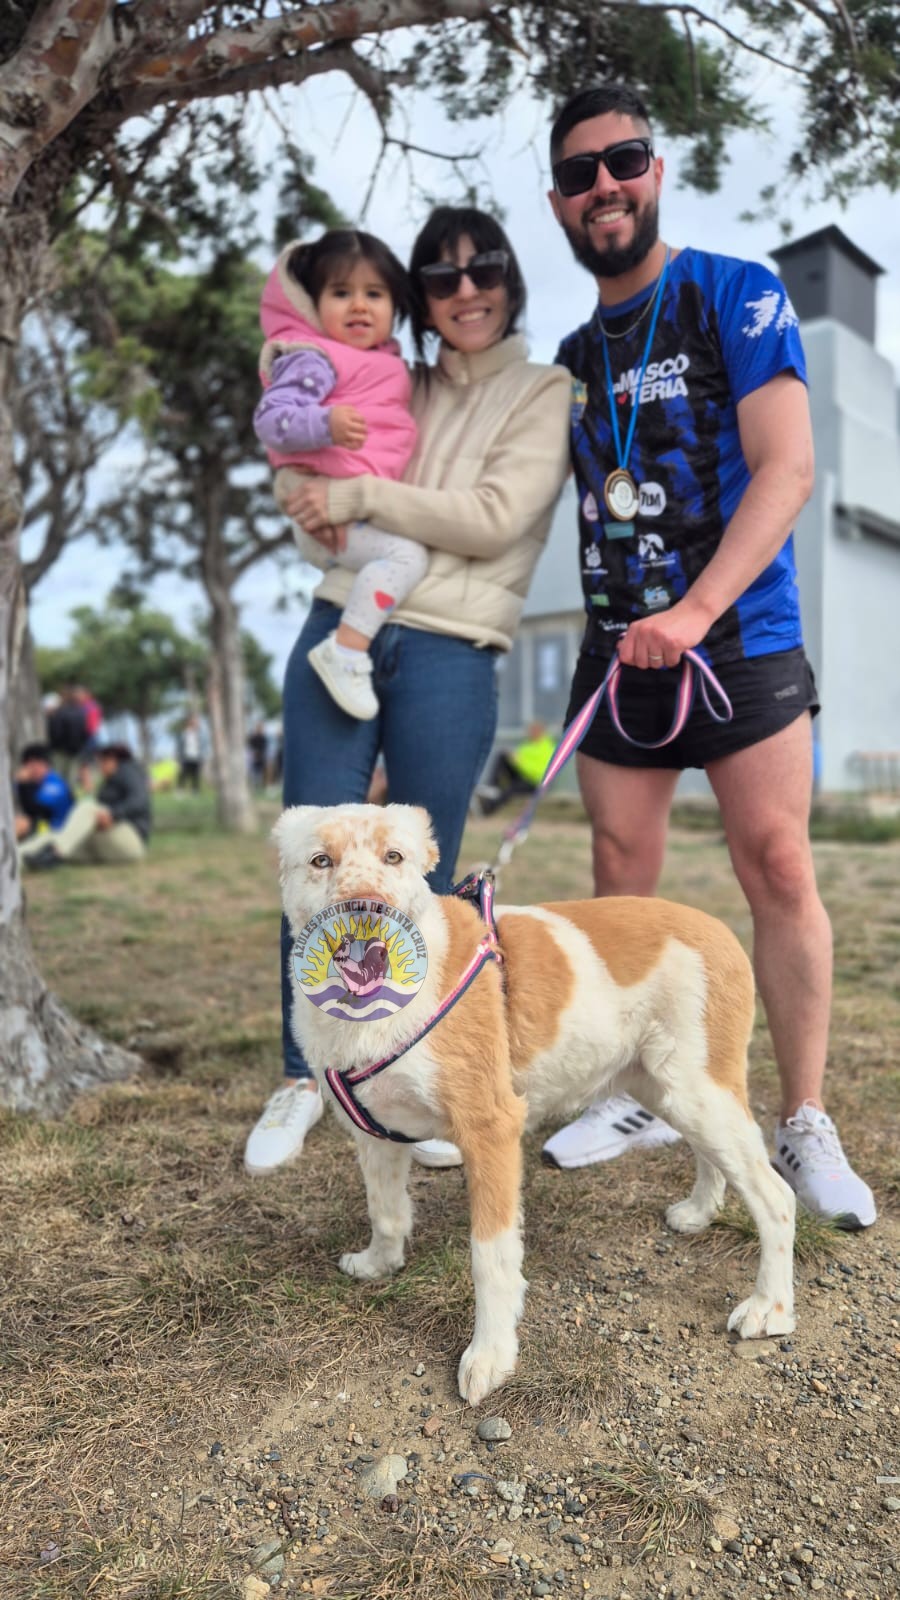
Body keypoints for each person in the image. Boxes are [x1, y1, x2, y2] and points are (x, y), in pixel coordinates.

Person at [537, 83, 875, 1230]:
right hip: (616, 652)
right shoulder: (573, 357)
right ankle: (632, 1092)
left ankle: (805, 1120)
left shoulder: (738, 291)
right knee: (617, 876)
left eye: (621, 160)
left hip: (739, 638)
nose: (604, 188)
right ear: (558, 202)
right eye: (580, 174)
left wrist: (696, 609)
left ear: (656, 168)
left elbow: (787, 468)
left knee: (777, 867)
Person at [242, 205, 571, 1177]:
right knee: (313, 858)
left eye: (485, 270)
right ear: (418, 296)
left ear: (511, 280)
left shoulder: (545, 389)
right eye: (441, 274)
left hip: (451, 647)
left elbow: (494, 516)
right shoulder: (389, 373)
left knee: (420, 879)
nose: (465, 289)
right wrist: (309, 481)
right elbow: (301, 439)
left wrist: (355, 498)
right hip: (340, 618)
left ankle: (410, 1067)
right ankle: (306, 1073)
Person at [253, 229, 423, 721]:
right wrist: (323, 423)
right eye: (341, 293)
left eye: (375, 294)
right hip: (326, 511)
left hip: (350, 509)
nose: (359, 306)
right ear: (313, 302)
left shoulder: (380, 361)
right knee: (407, 557)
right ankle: (346, 651)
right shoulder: (314, 357)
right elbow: (271, 418)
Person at [20, 743, 152, 870]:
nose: (100, 766)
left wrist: (113, 814)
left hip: (132, 839)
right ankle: (15, 856)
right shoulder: (109, 783)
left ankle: (55, 852)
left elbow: (139, 800)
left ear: (112, 760)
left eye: (101, 762)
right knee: (53, 837)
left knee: (88, 807)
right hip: (110, 842)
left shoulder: (128, 770)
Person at [476, 721, 557, 815]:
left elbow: (540, 773)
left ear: (541, 731)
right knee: (502, 756)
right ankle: (493, 786)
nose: (529, 733)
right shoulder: (527, 743)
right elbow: (519, 760)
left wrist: (519, 762)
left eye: (533, 731)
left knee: (510, 789)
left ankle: (487, 810)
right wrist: (513, 759)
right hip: (522, 775)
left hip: (533, 782)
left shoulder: (548, 747)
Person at [14, 744, 74, 843]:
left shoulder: (55, 784)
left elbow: (38, 810)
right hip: (42, 831)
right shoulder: (32, 784)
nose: (31, 770)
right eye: (27, 765)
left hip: (59, 834)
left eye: (35, 764)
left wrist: (24, 786)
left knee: (23, 823)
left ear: (45, 764)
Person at [178, 714, 203, 791]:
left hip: (196, 756)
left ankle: (195, 790)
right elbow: (180, 745)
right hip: (186, 756)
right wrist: (179, 756)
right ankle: (180, 789)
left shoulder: (199, 733)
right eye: (191, 722)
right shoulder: (184, 733)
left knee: (195, 774)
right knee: (183, 773)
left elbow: (203, 745)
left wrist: (203, 755)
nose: (193, 724)